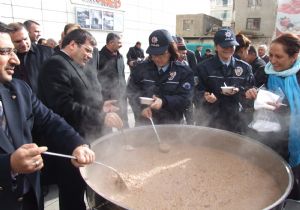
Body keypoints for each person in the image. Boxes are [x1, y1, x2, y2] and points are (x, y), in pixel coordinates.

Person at [0, 21, 95, 210]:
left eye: (13, 51)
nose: (16, 60)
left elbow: (49, 120)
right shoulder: (56, 64)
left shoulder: (19, 89)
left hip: (29, 198)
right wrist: (8, 164)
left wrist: (76, 144)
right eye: (5, 52)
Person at [38, 29, 123, 210]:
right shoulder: (55, 65)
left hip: (88, 135)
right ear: (72, 44)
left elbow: (84, 95)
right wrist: (100, 116)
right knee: (72, 190)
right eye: (87, 50)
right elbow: (63, 106)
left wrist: (101, 106)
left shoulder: (76, 63)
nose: (90, 56)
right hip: (70, 140)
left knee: (91, 182)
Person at [245, 33, 300, 200]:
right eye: (271, 55)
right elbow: (249, 100)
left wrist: (282, 109)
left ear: (294, 57)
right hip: (266, 137)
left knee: (291, 185)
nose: (273, 60)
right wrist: (250, 95)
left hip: (293, 140)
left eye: (279, 56)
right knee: (265, 180)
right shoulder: (264, 72)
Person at [127, 29, 194, 125]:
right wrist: (140, 109)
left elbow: (186, 98)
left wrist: (164, 101)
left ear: (171, 51)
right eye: (154, 54)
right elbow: (131, 92)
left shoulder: (183, 71)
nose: (157, 58)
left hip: (173, 125)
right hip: (145, 124)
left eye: (162, 54)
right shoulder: (140, 69)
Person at [194, 28, 255, 133]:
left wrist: (248, 93)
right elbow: (195, 92)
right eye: (224, 46)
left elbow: (250, 89)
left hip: (236, 120)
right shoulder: (203, 67)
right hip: (211, 120)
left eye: (232, 46)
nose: (228, 49)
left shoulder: (245, 68)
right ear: (216, 47)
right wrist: (205, 96)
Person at [8, 22, 54, 94]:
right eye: (18, 41)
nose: (23, 44)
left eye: (25, 39)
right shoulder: (6, 59)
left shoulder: (47, 52)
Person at [98, 32, 128, 128]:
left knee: (123, 123)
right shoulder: (98, 57)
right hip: (107, 99)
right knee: (107, 125)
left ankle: (126, 141)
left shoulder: (120, 57)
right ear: (111, 43)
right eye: (118, 43)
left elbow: (122, 76)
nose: (121, 45)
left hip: (121, 96)